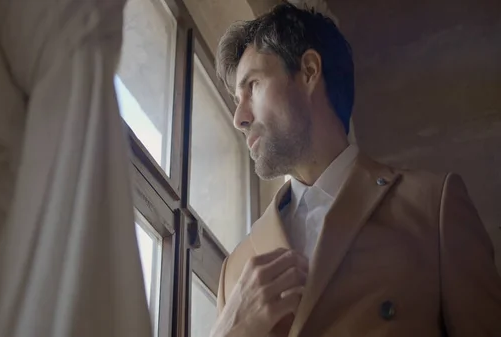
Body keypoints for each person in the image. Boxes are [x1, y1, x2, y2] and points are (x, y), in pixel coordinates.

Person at [210, 3, 501, 337]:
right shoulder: (234, 269)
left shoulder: (433, 206)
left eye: (253, 86)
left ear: (308, 70)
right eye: (236, 100)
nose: (239, 118)